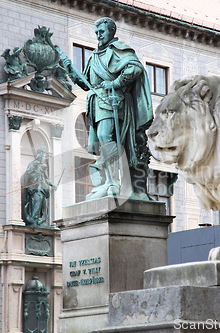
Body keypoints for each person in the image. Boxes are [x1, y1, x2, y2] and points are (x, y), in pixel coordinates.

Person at [62, 17, 153, 200]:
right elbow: (86, 83)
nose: (98, 35)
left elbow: (135, 68)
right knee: (103, 142)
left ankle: (112, 181)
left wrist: (116, 82)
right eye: (96, 32)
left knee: (105, 137)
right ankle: (109, 180)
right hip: (97, 104)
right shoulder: (94, 56)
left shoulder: (119, 50)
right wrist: (70, 69)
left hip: (113, 101)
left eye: (101, 32)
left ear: (111, 31)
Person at [23, 146, 57, 227]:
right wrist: (28, 186)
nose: (43, 157)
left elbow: (46, 179)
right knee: (36, 200)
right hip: (34, 189)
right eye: (42, 155)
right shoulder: (33, 164)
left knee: (42, 203)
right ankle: (34, 218)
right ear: (39, 155)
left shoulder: (42, 167)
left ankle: (39, 219)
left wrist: (53, 185)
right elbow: (27, 174)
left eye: (43, 156)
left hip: (41, 189)